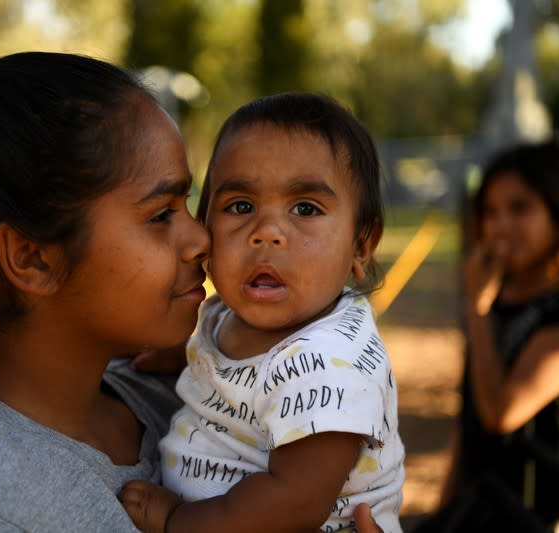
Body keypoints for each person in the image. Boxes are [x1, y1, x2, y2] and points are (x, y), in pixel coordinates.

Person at [0, 52, 384, 531]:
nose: (201, 238)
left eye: (188, 204)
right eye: (160, 215)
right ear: (32, 257)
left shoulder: (185, 391)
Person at [119, 93, 405, 533]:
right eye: (241, 206)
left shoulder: (326, 365)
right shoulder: (225, 314)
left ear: (360, 246)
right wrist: (183, 356)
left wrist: (179, 519)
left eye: (305, 208)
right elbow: (233, 362)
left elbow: (296, 502)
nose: (266, 232)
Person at [415, 140, 559, 532]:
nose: (500, 226)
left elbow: (502, 413)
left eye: (520, 208)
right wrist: (444, 507)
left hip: (527, 516)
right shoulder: (496, 301)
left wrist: (476, 309)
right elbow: (473, 419)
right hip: (475, 509)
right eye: (490, 211)